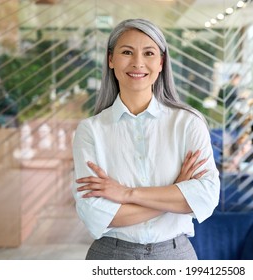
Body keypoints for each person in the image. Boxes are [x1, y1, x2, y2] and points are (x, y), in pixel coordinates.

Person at [72, 18, 220, 260]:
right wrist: (174, 193)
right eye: (127, 52)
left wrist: (127, 194)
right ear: (111, 59)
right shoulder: (91, 131)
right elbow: (94, 214)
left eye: (149, 53)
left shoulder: (188, 123)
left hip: (175, 256)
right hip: (111, 256)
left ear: (161, 62)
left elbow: (205, 197)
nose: (138, 63)